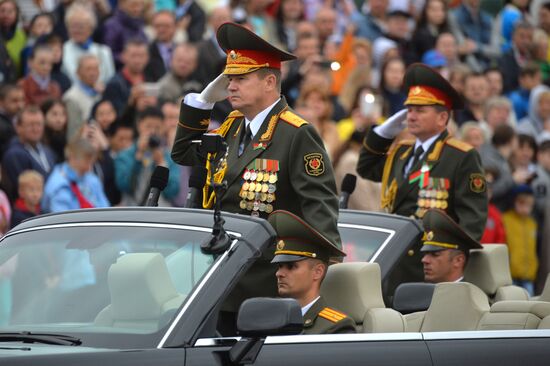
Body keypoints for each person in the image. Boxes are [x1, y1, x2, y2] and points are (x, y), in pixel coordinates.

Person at [171, 22, 341, 248]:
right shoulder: (231, 127)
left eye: (241, 79)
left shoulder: (297, 133)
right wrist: (202, 102)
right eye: (229, 79)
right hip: (221, 259)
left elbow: (320, 211)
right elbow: (183, 153)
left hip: (266, 268)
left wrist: (310, 269)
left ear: (269, 82)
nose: (230, 87)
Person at [357, 63, 488, 286]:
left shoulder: (460, 156)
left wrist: (448, 264)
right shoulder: (402, 152)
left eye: (420, 110)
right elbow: (366, 167)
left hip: (430, 266)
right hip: (394, 261)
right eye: (409, 110)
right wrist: (383, 133)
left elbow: (472, 220)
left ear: (442, 118)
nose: (412, 116)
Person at [268, 209, 355, 334]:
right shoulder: (271, 319)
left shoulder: (335, 327)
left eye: (291, 266)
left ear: (317, 272)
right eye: (280, 266)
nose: (279, 273)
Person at [421, 208, 483, 283]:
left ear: (458, 260)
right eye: (425, 253)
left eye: (435, 254)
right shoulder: (423, 292)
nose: (424, 260)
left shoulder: (467, 294)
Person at [502, 185, 538, 296]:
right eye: (521, 203)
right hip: (510, 275)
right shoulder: (505, 220)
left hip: (528, 275)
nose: (525, 208)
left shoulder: (532, 224)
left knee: (529, 306)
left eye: (529, 205)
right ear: (514, 202)